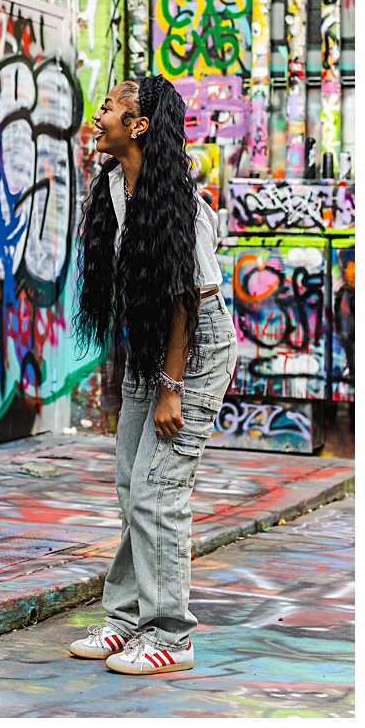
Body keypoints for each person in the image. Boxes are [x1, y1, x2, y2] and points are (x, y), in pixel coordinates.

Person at [68, 75, 234, 675]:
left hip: (193, 352)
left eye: (110, 107)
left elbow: (186, 301)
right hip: (150, 351)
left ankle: (171, 635)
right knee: (130, 488)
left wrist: (169, 389)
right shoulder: (115, 185)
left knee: (160, 494)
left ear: (138, 126)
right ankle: (128, 619)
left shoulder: (182, 207)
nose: (99, 114)